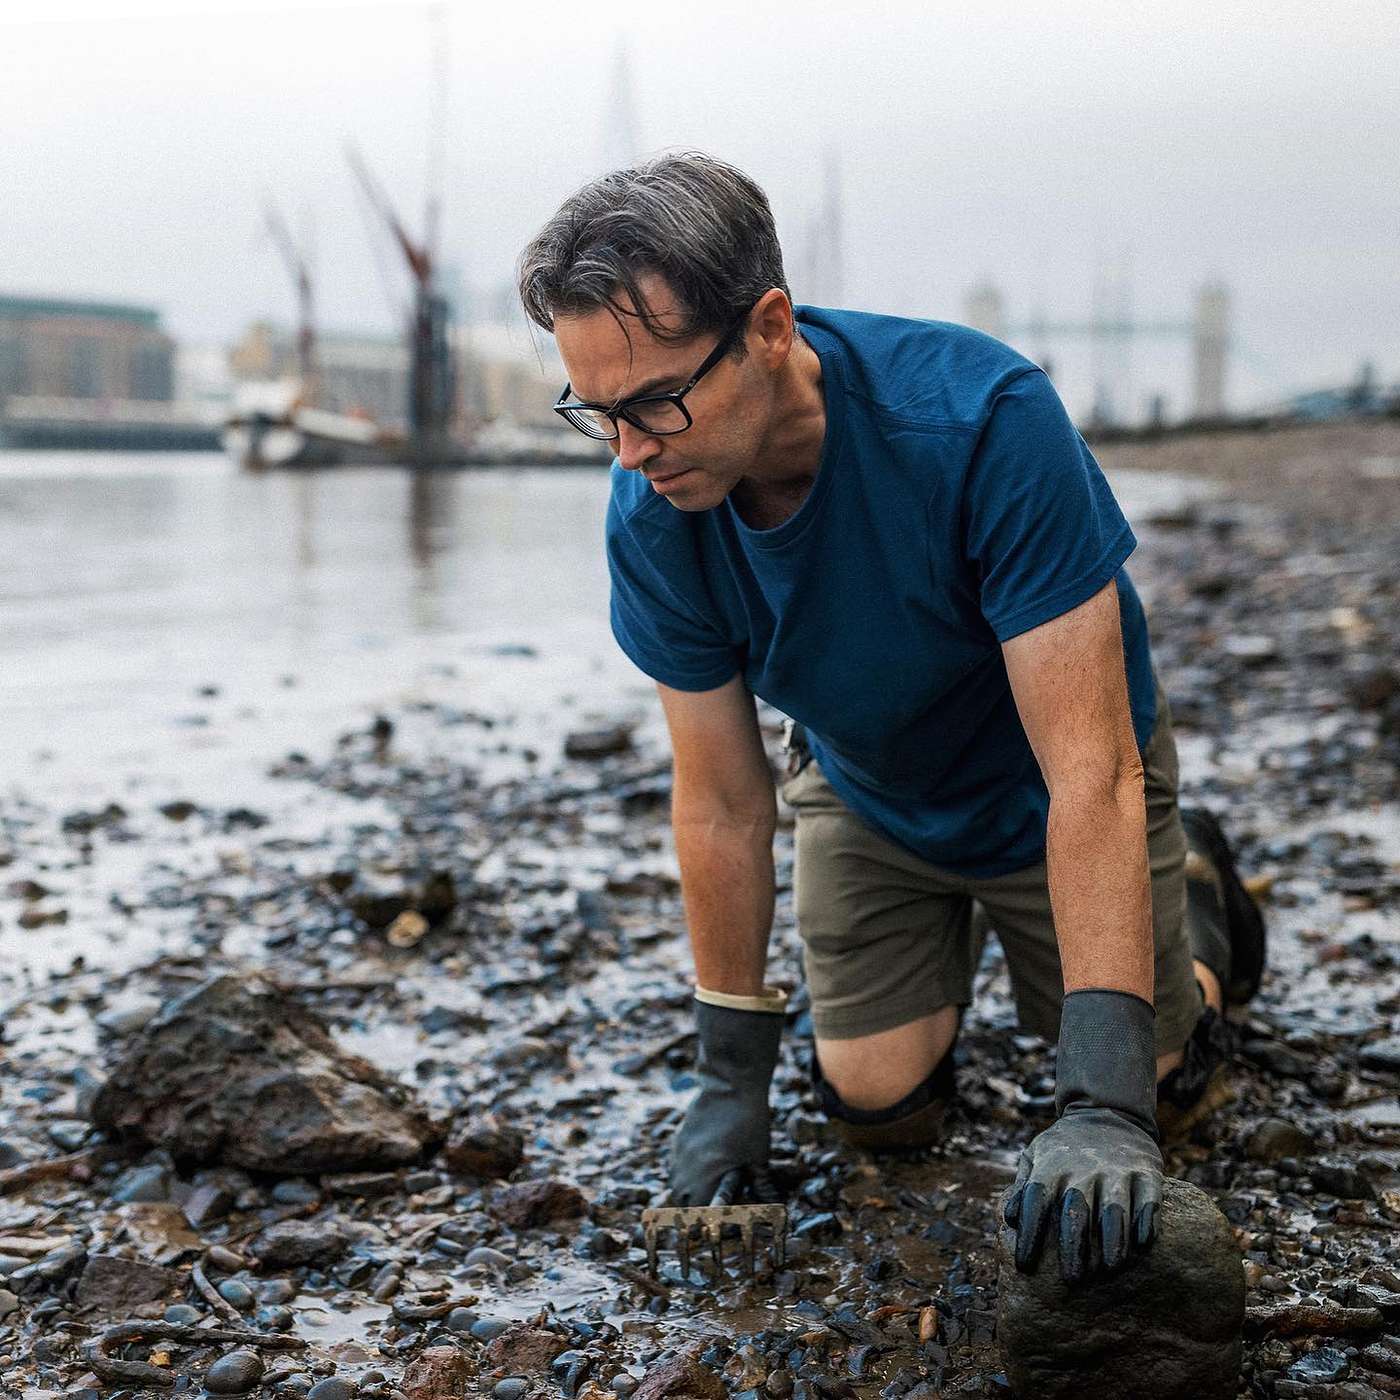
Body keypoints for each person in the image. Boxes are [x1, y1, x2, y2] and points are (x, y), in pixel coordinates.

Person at [517, 152, 1266, 1283]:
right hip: (868, 785)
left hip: (1052, 780)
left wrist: (1101, 1100)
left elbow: (1089, 770)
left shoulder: (981, 420)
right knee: (874, 1102)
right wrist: (730, 1082)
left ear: (768, 327)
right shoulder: (650, 509)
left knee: (1155, 1082)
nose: (629, 450)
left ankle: (1198, 915)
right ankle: (955, 956)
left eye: (657, 402)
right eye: (597, 412)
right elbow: (722, 798)